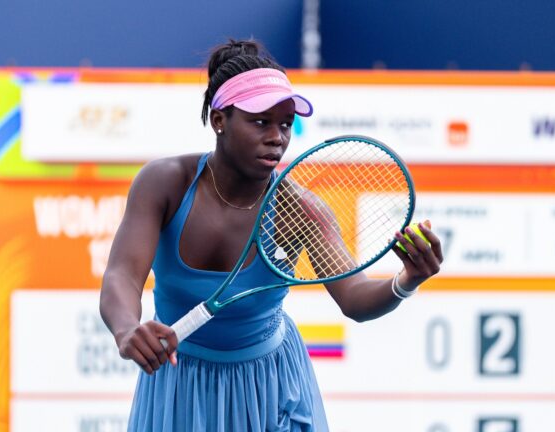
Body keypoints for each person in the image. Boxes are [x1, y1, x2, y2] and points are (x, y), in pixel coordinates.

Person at [99, 39, 443, 432]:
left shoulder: (300, 209)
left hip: (269, 387)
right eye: (261, 121)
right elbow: (122, 276)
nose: (277, 136)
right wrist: (127, 329)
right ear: (219, 120)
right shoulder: (164, 184)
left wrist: (407, 281)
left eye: (285, 123)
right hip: (179, 381)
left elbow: (355, 298)